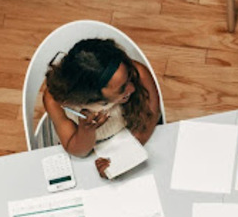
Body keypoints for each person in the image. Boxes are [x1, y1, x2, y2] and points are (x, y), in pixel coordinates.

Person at [43, 38, 161, 177]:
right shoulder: (55, 102)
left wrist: (123, 158)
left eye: (129, 76)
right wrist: (86, 131)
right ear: (92, 97)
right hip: (90, 151)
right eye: (122, 89)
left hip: (134, 137)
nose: (133, 88)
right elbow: (78, 151)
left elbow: (150, 117)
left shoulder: (139, 72)